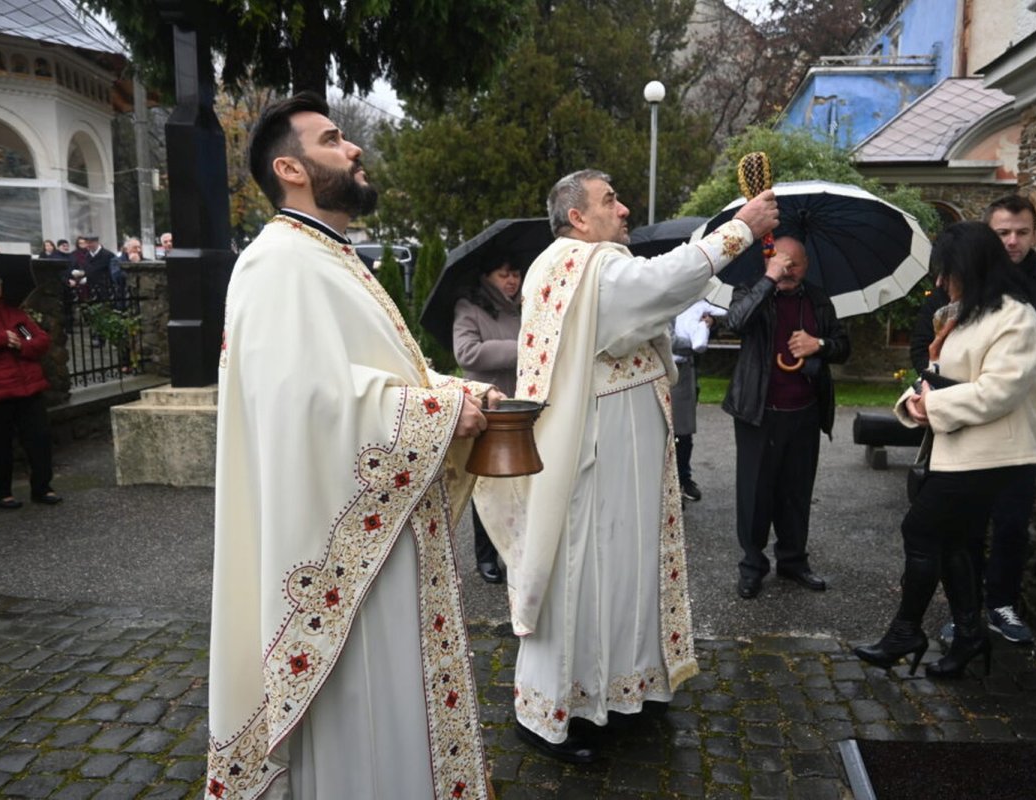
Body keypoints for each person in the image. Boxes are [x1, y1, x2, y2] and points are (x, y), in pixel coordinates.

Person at [204, 92, 502, 800]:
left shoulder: (329, 256)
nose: (354, 148)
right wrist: (439, 408)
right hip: (339, 536)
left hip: (387, 529)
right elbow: (302, 403)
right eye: (333, 139)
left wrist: (449, 388)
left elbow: (369, 371)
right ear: (291, 167)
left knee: (397, 698)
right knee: (364, 710)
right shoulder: (277, 262)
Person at [476, 169, 779, 762]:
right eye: (609, 200)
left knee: (625, 572)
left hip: (620, 449)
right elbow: (660, 284)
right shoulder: (585, 264)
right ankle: (555, 714)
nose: (624, 209)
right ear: (577, 218)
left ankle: (624, 692)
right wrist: (739, 231)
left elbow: (639, 316)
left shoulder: (578, 266)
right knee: (586, 577)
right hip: (593, 455)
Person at [855, 222, 1036, 678]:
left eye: (947, 272)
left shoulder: (1016, 318)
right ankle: (968, 636)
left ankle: (907, 631)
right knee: (957, 542)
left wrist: (934, 402)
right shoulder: (967, 315)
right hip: (957, 451)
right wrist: (916, 401)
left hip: (989, 457)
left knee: (920, 531)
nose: (940, 283)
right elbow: (936, 374)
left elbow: (998, 391)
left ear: (974, 268)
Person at [909, 195, 1036, 645]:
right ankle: (962, 620)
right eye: (1003, 232)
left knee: (1008, 522)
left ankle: (995, 606)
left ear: (1035, 234)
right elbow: (929, 349)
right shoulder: (960, 289)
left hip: (1011, 433)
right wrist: (924, 395)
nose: (1013, 241)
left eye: (1022, 232)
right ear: (989, 237)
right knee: (958, 532)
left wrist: (1033, 404)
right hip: (961, 432)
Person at [723, 237, 850, 599]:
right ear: (768, 261)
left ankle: (793, 561)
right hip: (757, 413)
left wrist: (819, 345)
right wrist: (769, 280)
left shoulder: (817, 299)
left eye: (794, 264)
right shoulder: (750, 290)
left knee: (796, 493)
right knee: (755, 493)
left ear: (806, 265)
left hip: (804, 414)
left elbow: (843, 346)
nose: (789, 270)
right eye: (781, 263)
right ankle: (752, 566)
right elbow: (735, 322)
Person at [0, 269, 61, 508]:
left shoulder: (15, 316)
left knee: (39, 439)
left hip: (27, 390)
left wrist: (22, 345)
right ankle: (0, 493)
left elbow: (37, 340)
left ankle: (42, 487)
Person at [452, 259, 523, 584]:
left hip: (521, 406)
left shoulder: (527, 307)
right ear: (487, 277)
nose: (511, 281)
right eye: (503, 274)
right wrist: (521, 348)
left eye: (516, 274)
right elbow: (466, 352)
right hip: (488, 408)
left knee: (521, 481)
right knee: (488, 483)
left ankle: (519, 549)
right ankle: (486, 555)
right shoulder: (469, 308)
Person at [671, 299, 724, 503]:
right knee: (660, 433)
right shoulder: (664, 295)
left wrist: (709, 324)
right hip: (659, 371)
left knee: (683, 433)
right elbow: (666, 338)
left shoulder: (695, 294)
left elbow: (711, 324)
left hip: (685, 375)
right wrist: (696, 340)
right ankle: (665, 485)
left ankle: (684, 479)